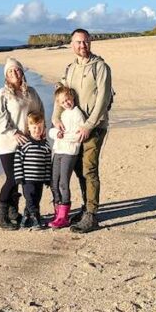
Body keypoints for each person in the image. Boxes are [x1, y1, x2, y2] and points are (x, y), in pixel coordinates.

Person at [52, 28, 113, 233]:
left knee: (89, 169)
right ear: (72, 45)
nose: (82, 46)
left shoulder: (101, 67)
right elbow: (62, 94)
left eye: (85, 42)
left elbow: (103, 99)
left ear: (90, 42)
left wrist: (88, 126)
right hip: (74, 130)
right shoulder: (70, 68)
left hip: (94, 128)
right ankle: (86, 207)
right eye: (78, 42)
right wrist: (55, 117)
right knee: (78, 170)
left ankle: (92, 215)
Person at [0, 57, 44, 231]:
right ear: (6, 75)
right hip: (7, 143)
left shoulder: (31, 93)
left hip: (27, 144)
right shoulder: (1, 95)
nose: (14, 73)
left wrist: (39, 133)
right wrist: (13, 131)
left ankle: (13, 212)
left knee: (23, 179)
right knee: (12, 178)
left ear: (22, 72)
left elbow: (38, 113)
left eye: (17, 70)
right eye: (10, 71)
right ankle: (1, 215)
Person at [47, 85, 86, 229]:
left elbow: (79, 136)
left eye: (68, 99)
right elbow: (51, 131)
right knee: (53, 181)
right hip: (58, 150)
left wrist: (63, 137)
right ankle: (57, 211)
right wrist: (56, 134)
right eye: (63, 102)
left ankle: (64, 216)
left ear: (72, 97)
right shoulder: (62, 114)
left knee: (63, 182)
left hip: (70, 152)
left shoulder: (77, 114)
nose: (66, 103)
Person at [12, 112, 53, 229]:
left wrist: (47, 178)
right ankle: (35, 217)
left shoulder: (45, 145)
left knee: (36, 198)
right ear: (28, 128)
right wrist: (19, 177)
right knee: (30, 198)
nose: (37, 130)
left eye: (40, 127)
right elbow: (18, 160)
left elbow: (47, 163)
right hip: (27, 179)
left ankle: (26, 218)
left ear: (43, 127)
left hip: (39, 179)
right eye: (34, 127)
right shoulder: (25, 143)